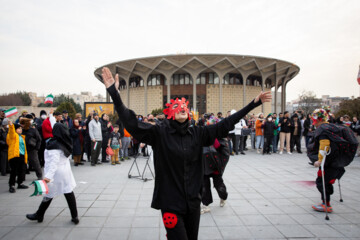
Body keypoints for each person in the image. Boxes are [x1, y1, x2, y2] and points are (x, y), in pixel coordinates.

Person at [101, 67, 271, 240]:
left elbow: (225, 125)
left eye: (184, 106)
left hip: (193, 203)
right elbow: (131, 123)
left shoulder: (198, 133)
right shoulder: (159, 133)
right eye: (177, 106)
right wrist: (114, 94)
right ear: (170, 113)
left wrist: (254, 104)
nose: (182, 107)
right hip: (170, 203)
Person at [26, 123, 79, 224]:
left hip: (56, 173)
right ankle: (75, 216)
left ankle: (39, 214)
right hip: (65, 172)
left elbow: (53, 163)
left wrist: (48, 177)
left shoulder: (54, 144)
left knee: (49, 194)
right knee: (68, 192)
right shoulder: (65, 141)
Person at [310, 109, 350, 213]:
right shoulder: (332, 127)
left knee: (321, 182)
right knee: (326, 181)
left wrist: (319, 160)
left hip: (328, 161)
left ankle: (326, 204)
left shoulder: (323, 129)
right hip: (336, 160)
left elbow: (324, 145)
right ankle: (326, 202)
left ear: (318, 119)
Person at [201, 117, 228, 214]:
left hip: (215, 166)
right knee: (204, 186)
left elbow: (225, 153)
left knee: (219, 185)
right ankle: (205, 205)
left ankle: (223, 197)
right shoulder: (202, 135)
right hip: (204, 165)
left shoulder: (221, 139)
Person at [6, 121, 29, 193]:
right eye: (18, 128)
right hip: (14, 155)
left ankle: (20, 183)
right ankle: (11, 185)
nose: (20, 129)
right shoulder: (12, 135)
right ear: (15, 129)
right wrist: (11, 125)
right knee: (14, 171)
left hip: (21, 155)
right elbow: (11, 132)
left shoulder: (21, 136)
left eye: (21, 128)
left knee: (22, 170)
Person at [21, 115, 43, 179]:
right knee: (22, 164)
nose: (21, 125)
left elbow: (39, 139)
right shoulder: (21, 130)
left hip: (32, 149)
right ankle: (21, 177)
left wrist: (37, 148)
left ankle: (39, 175)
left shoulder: (33, 130)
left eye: (22, 124)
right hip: (23, 149)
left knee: (35, 163)